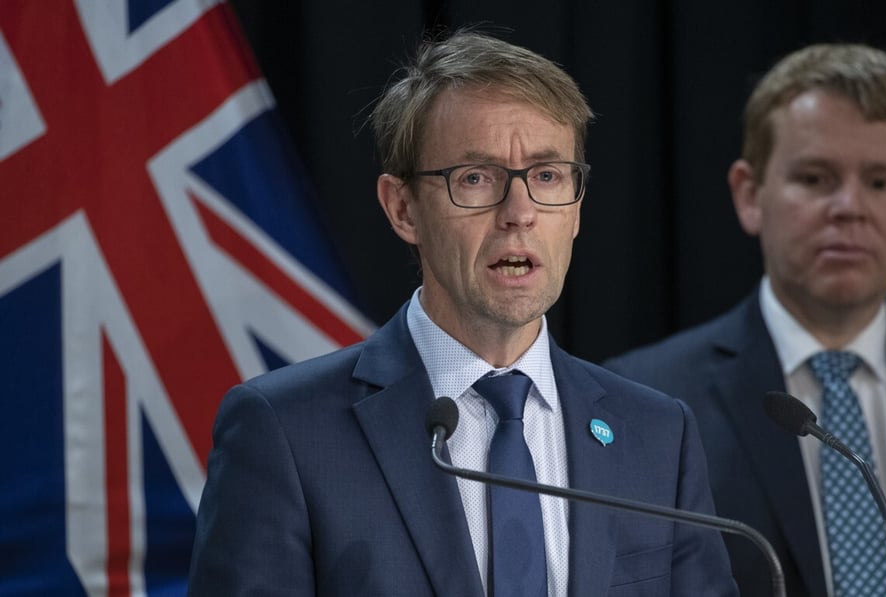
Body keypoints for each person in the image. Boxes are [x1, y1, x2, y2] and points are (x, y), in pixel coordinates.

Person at [188, 29, 737, 596]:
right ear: (403, 209)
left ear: (575, 207)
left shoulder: (656, 432)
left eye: (547, 176)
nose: (519, 212)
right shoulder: (285, 431)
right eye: (476, 178)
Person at [606, 43, 886, 597]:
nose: (849, 206)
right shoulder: (640, 402)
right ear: (749, 194)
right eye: (816, 178)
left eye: (880, 182)